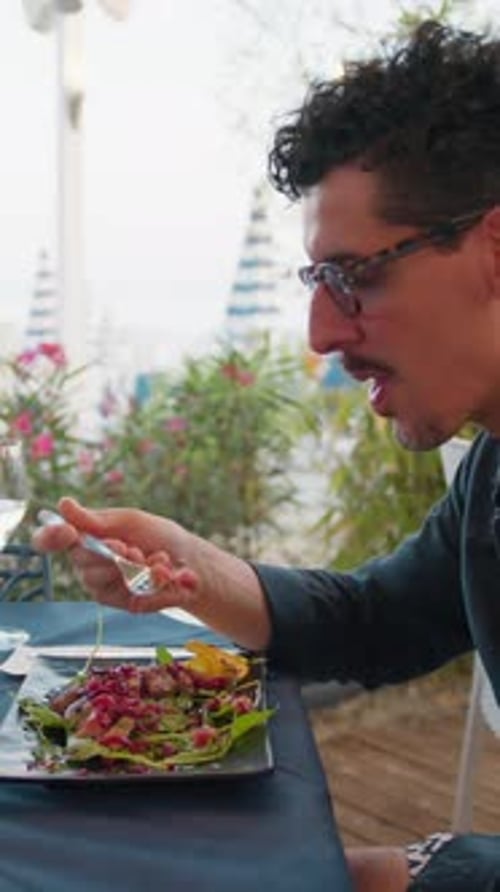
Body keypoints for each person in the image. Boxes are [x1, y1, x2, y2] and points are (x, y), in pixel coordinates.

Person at [33, 19, 500, 892]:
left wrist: (427, 872)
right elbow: (379, 621)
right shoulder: (492, 475)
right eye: (316, 284)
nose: (322, 334)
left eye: (357, 275)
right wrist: (197, 568)